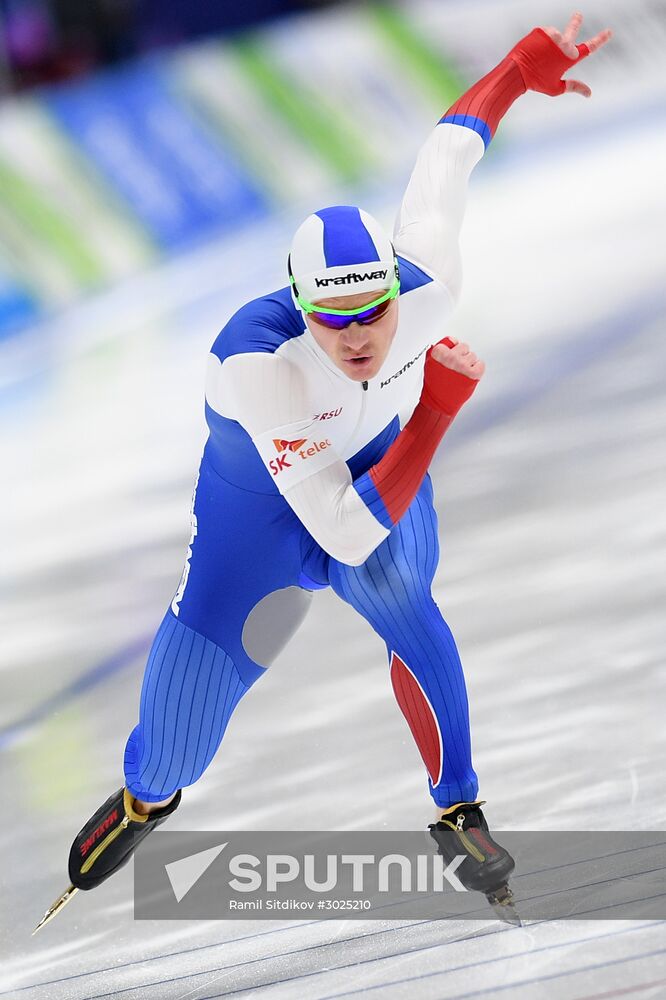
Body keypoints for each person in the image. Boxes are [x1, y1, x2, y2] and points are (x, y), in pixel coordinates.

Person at [35, 12, 611, 931]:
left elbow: (445, 159)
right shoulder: (254, 366)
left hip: (379, 474)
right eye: (332, 320)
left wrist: (515, 68)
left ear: (393, 284)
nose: (359, 336)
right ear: (299, 307)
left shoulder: (427, 289)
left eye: (373, 311)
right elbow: (337, 526)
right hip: (259, 519)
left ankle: (459, 810)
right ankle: (148, 799)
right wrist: (434, 411)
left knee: (400, 601)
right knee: (175, 751)